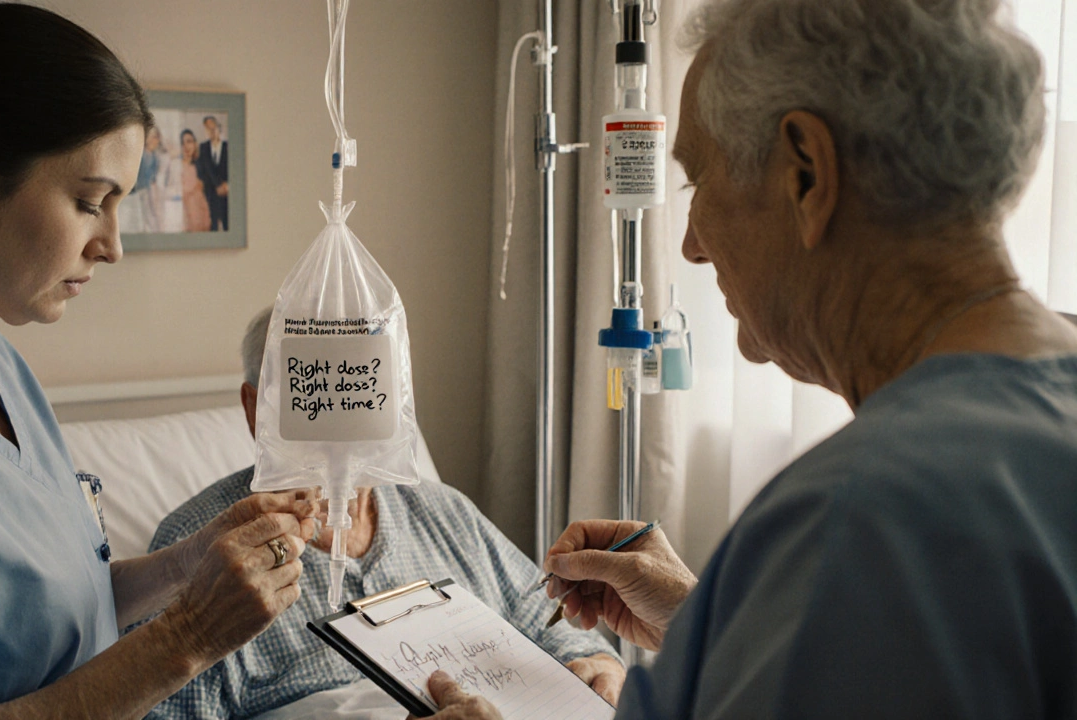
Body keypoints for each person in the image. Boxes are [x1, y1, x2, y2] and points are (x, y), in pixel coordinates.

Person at [418, 0, 1077, 718]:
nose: (690, 245)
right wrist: (723, 624)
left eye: (698, 181)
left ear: (804, 172)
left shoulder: (865, 518)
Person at [0, 5, 316, 718]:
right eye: (89, 201)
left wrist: (191, 564)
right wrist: (190, 637)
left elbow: (53, 609)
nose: (112, 245)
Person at [144, 308, 624, 719]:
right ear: (256, 411)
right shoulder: (196, 549)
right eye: (316, 397)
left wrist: (599, 666)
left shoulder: (445, 512)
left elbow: (553, 628)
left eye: (364, 394)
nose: (345, 423)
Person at [197, 115, 229, 232]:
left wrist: (227, 185)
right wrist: (216, 185)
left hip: (226, 193)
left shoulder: (227, 146)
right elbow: (202, 170)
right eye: (207, 128)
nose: (211, 131)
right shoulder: (203, 147)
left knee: (227, 224)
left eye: (213, 127)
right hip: (210, 193)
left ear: (218, 128)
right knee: (213, 225)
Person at [178, 129, 212, 232]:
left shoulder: (199, 165)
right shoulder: (177, 166)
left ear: (195, 144)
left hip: (201, 215)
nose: (186, 146)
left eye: (189, 141)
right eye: (183, 143)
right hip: (185, 216)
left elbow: (203, 196)